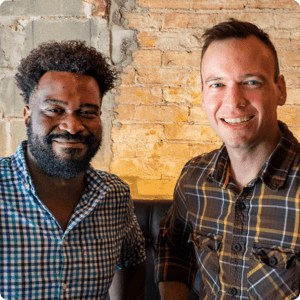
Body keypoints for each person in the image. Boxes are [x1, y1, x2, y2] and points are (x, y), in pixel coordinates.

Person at [155, 19, 300, 300]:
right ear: (203, 95)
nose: (233, 101)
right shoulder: (193, 179)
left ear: (279, 89)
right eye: (217, 84)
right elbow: (174, 249)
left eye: (251, 82)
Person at [0, 40, 146, 300]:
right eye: (55, 110)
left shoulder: (114, 195)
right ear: (27, 115)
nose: (72, 126)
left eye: (87, 112)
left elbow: (132, 261)